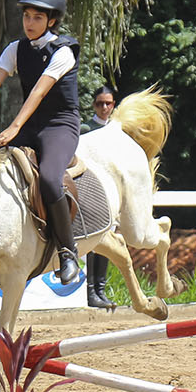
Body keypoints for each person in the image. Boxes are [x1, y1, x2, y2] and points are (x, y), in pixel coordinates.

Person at [0, 0, 83, 286]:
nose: (30, 23)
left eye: (37, 18)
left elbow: (38, 93)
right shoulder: (15, 49)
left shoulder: (64, 51)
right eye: (27, 16)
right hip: (31, 125)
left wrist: (14, 128)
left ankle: (68, 252)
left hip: (60, 126)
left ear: (52, 20)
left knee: (51, 180)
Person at [82, 85, 117, 308]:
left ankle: (101, 289)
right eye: (100, 103)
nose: (104, 107)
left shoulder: (116, 129)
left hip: (111, 190)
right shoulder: (86, 128)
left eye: (108, 103)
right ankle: (90, 291)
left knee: (107, 240)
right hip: (91, 187)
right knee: (93, 240)